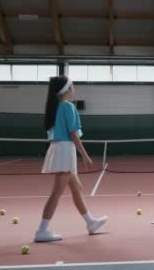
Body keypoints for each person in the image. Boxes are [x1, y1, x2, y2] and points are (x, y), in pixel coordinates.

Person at [35, 75, 108, 242]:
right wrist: (86, 156)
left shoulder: (56, 107)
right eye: (72, 86)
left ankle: (91, 222)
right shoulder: (68, 107)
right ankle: (42, 231)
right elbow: (73, 134)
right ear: (67, 89)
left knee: (77, 188)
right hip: (65, 150)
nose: (74, 89)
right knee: (56, 192)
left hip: (60, 149)